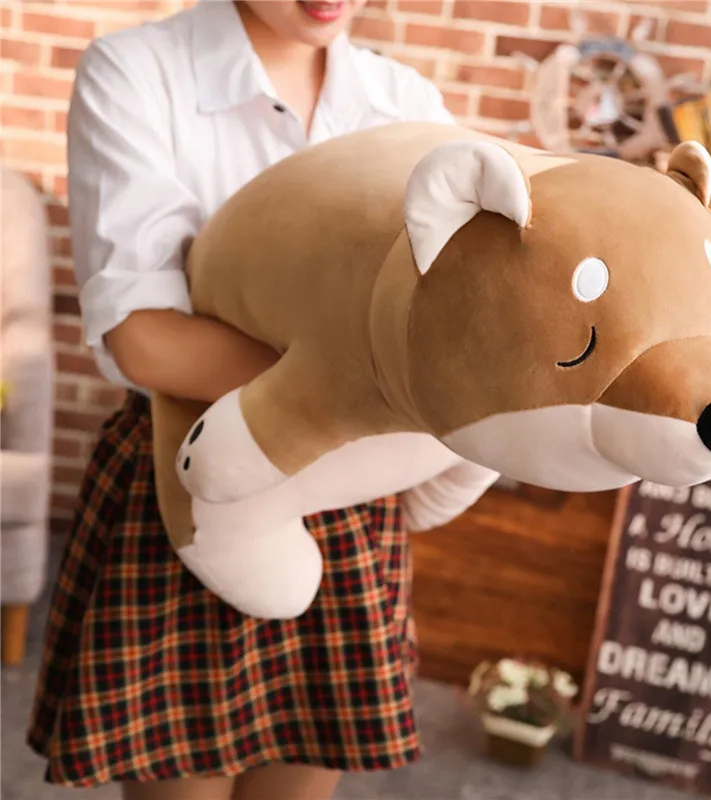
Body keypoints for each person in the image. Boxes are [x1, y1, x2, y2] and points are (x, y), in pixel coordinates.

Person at [25, 2, 484, 799]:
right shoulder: (138, 74)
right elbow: (146, 340)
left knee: (302, 779)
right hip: (192, 473)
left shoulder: (405, 104)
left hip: (348, 505)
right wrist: (372, 387)